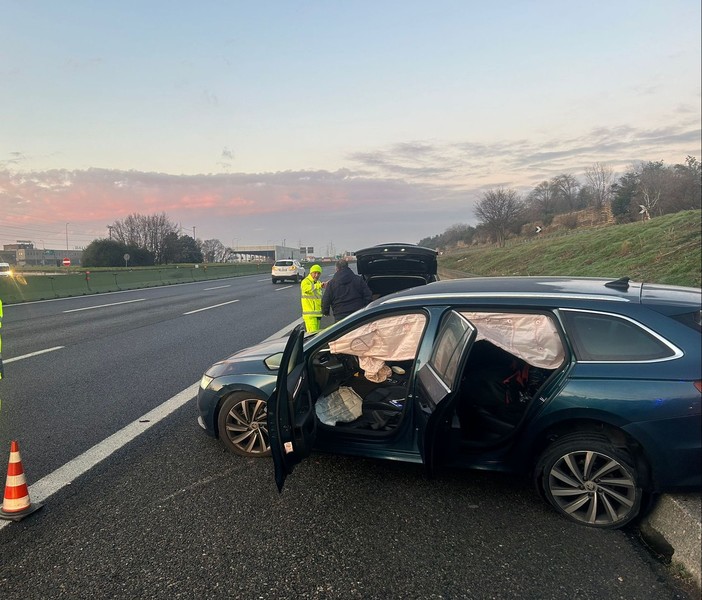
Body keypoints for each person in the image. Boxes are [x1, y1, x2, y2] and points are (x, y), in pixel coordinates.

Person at [300, 264, 325, 332]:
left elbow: (318, 299)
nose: (316, 275)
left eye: (318, 273)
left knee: (316, 335)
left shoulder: (318, 283)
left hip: (317, 314)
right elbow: (306, 289)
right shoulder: (305, 281)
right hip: (310, 315)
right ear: (310, 273)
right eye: (315, 273)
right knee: (312, 337)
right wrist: (319, 286)